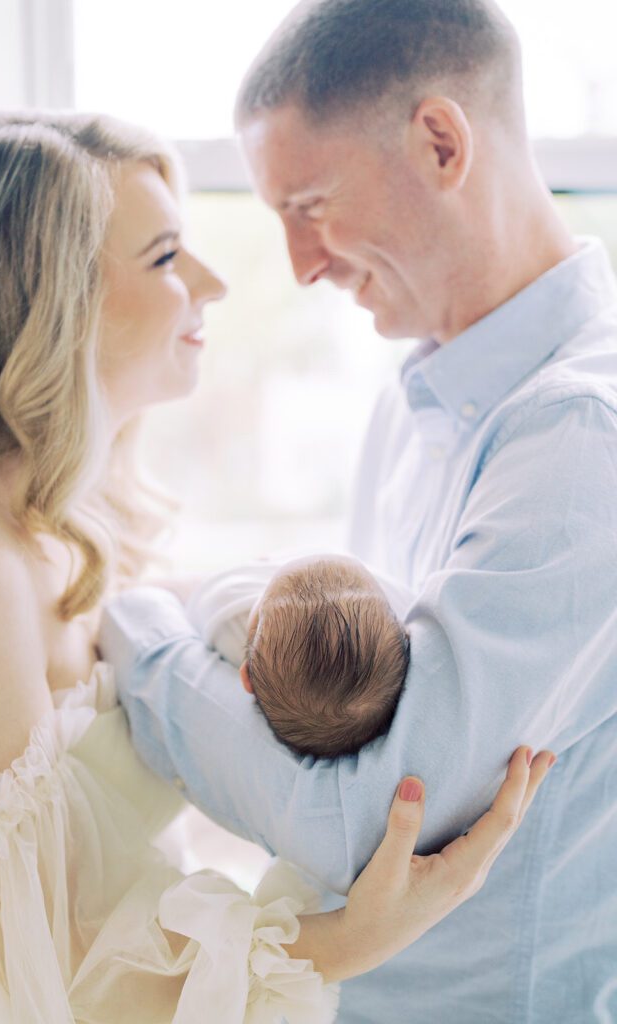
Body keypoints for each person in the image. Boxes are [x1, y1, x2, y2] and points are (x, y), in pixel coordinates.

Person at [0, 110, 551, 1023]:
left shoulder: (58, 519)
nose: (213, 283)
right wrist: (344, 942)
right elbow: (16, 973)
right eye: (166, 257)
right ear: (45, 299)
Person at [100, 1, 617, 1021]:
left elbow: (363, 816)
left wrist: (138, 627)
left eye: (310, 203)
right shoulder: (416, 397)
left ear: (440, 142)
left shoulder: (579, 440)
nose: (297, 264)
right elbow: (341, 721)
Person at [182, 553, 411, 757]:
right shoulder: (402, 611)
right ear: (406, 635)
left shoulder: (229, 623)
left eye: (264, 593)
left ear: (248, 678)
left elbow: (199, 600)